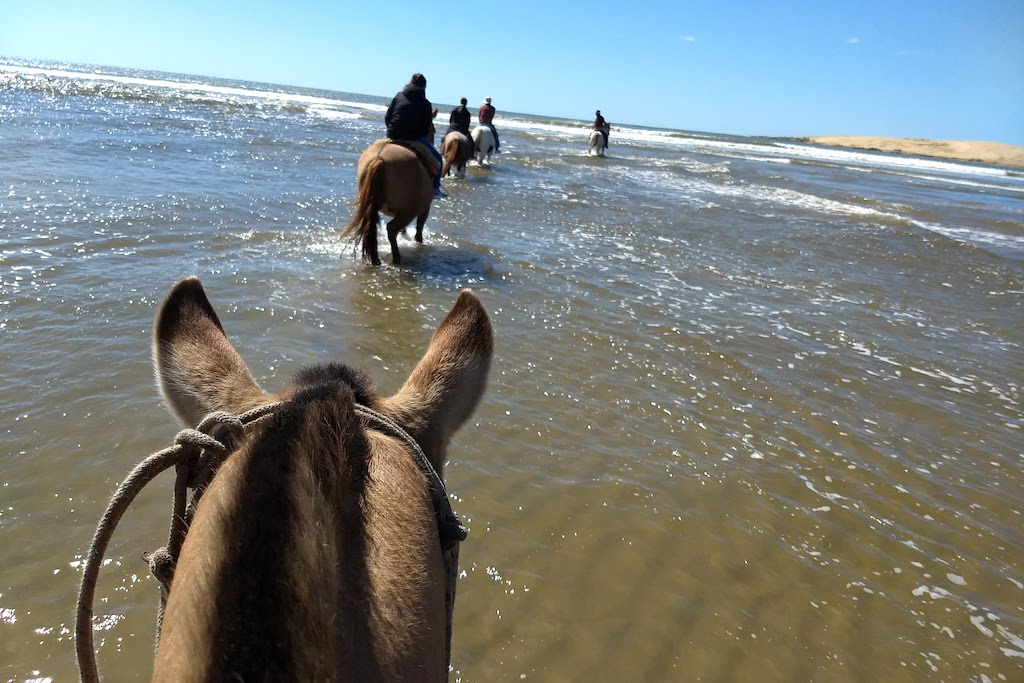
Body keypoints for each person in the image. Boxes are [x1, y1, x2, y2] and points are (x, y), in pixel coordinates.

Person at [385, 73, 446, 199]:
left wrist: (392, 131)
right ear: (424, 87)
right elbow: (425, 127)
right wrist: (418, 135)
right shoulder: (426, 104)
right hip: (413, 138)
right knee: (438, 160)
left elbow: (388, 117)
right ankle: (435, 189)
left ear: (410, 83)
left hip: (392, 134)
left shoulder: (398, 96)